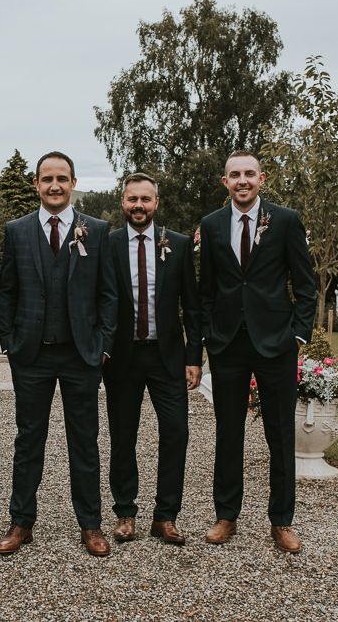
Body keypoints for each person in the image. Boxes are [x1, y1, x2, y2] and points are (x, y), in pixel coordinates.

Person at [0, 151, 117, 556]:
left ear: (73, 182)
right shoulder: (17, 230)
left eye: (62, 178)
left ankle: (90, 525)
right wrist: (9, 341)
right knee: (28, 440)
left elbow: (108, 293)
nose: (54, 185)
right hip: (31, 355)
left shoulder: (96, 230)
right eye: (47, 178)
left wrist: (101, 344)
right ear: (36, 184)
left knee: (85, 442)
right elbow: (7, 289)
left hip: (81, 355)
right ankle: (20, 522)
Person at [199, 150, 316, 553]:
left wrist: (298, 336)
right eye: (235, 175)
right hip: (228, 344)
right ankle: (226, 515)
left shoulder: (285, 220)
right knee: (228, 433)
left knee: (280, 434)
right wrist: (209, 337)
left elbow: (306, 285)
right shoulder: (211, 225)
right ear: (225, 182)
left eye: (250, 174)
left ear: (261, 179)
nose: (243, 180)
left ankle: (282, 521)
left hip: (276, 345)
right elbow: (207, 291)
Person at [102, 173, 202, 545]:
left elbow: (191, 306)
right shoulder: (107, 244)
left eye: (145, 199)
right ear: (123, 202)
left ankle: (165, 516)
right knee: (123, 437)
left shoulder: (175, 244)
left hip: (167, 357)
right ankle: (125, 512)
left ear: (156, 203)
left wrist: (195, 356)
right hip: (123, 358)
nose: (139, 206)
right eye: (132, 199)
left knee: (176, 433)